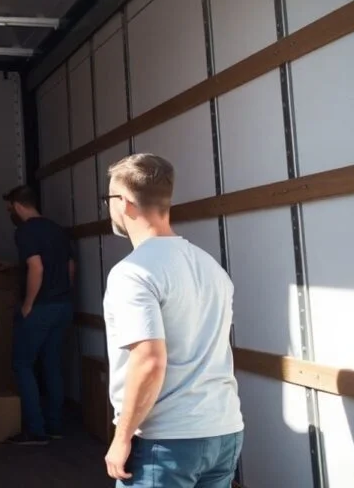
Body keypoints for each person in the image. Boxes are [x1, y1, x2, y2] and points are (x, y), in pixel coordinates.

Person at [101, 153, 243, 487]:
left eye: (109, 198)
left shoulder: (133, 274)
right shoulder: (211, 268)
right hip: (224, 431)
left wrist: (121, 438)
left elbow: (149, 361)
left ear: (124, 202)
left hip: (166, 442)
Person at [0, 185, 75, 444]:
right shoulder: (57, 229)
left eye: (10, 208)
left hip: (41, 307)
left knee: (22, 364)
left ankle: (36, 430)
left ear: (18, 205)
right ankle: (55, 426)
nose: (10, 212)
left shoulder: (25, 231)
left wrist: (29, 303)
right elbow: (69, 266)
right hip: (63, 305)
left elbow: (36, 267)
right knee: (52, 363)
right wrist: (63, 292)